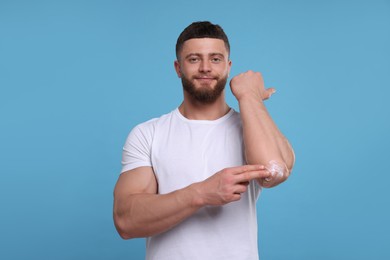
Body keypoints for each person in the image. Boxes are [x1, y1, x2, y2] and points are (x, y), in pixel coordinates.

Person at [113, 21, 295, 260]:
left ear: (229, 66)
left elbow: (274, 172)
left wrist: (250, 97)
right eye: (194, 59)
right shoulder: (148, 133)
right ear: (178, 68)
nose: (206, 67)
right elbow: (126, 221)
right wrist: (200, 193)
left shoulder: (251, 128)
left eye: (216, 59)